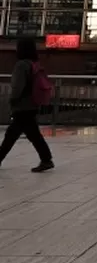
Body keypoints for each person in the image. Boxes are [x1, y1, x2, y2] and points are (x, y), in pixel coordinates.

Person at [0, 38, 54, 172]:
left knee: (12, 135)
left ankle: (47, 160)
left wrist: (12, 99)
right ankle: (46, 159)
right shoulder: (34, 64)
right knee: (32, 134)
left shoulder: (21, 65)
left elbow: (18, 86)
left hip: (22, 106)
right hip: (32, 104)